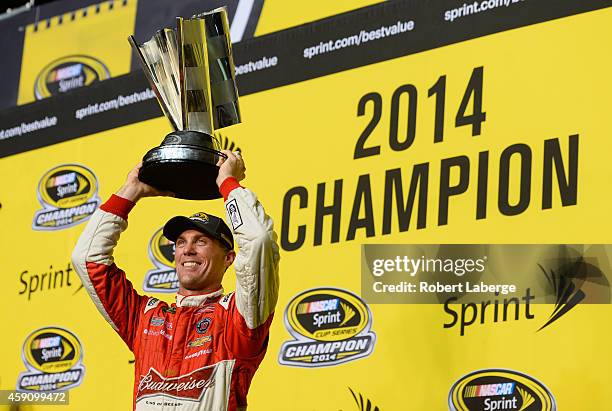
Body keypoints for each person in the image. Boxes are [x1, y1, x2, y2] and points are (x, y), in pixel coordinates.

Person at [71, 151, 280, 411]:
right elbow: (87, 258)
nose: (187, 250)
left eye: (201, 241)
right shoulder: (144, 318)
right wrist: (130, 190)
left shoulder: (237, 321)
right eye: (181, 242)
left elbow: (259, 241)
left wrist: (229, 184)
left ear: (228, 258)